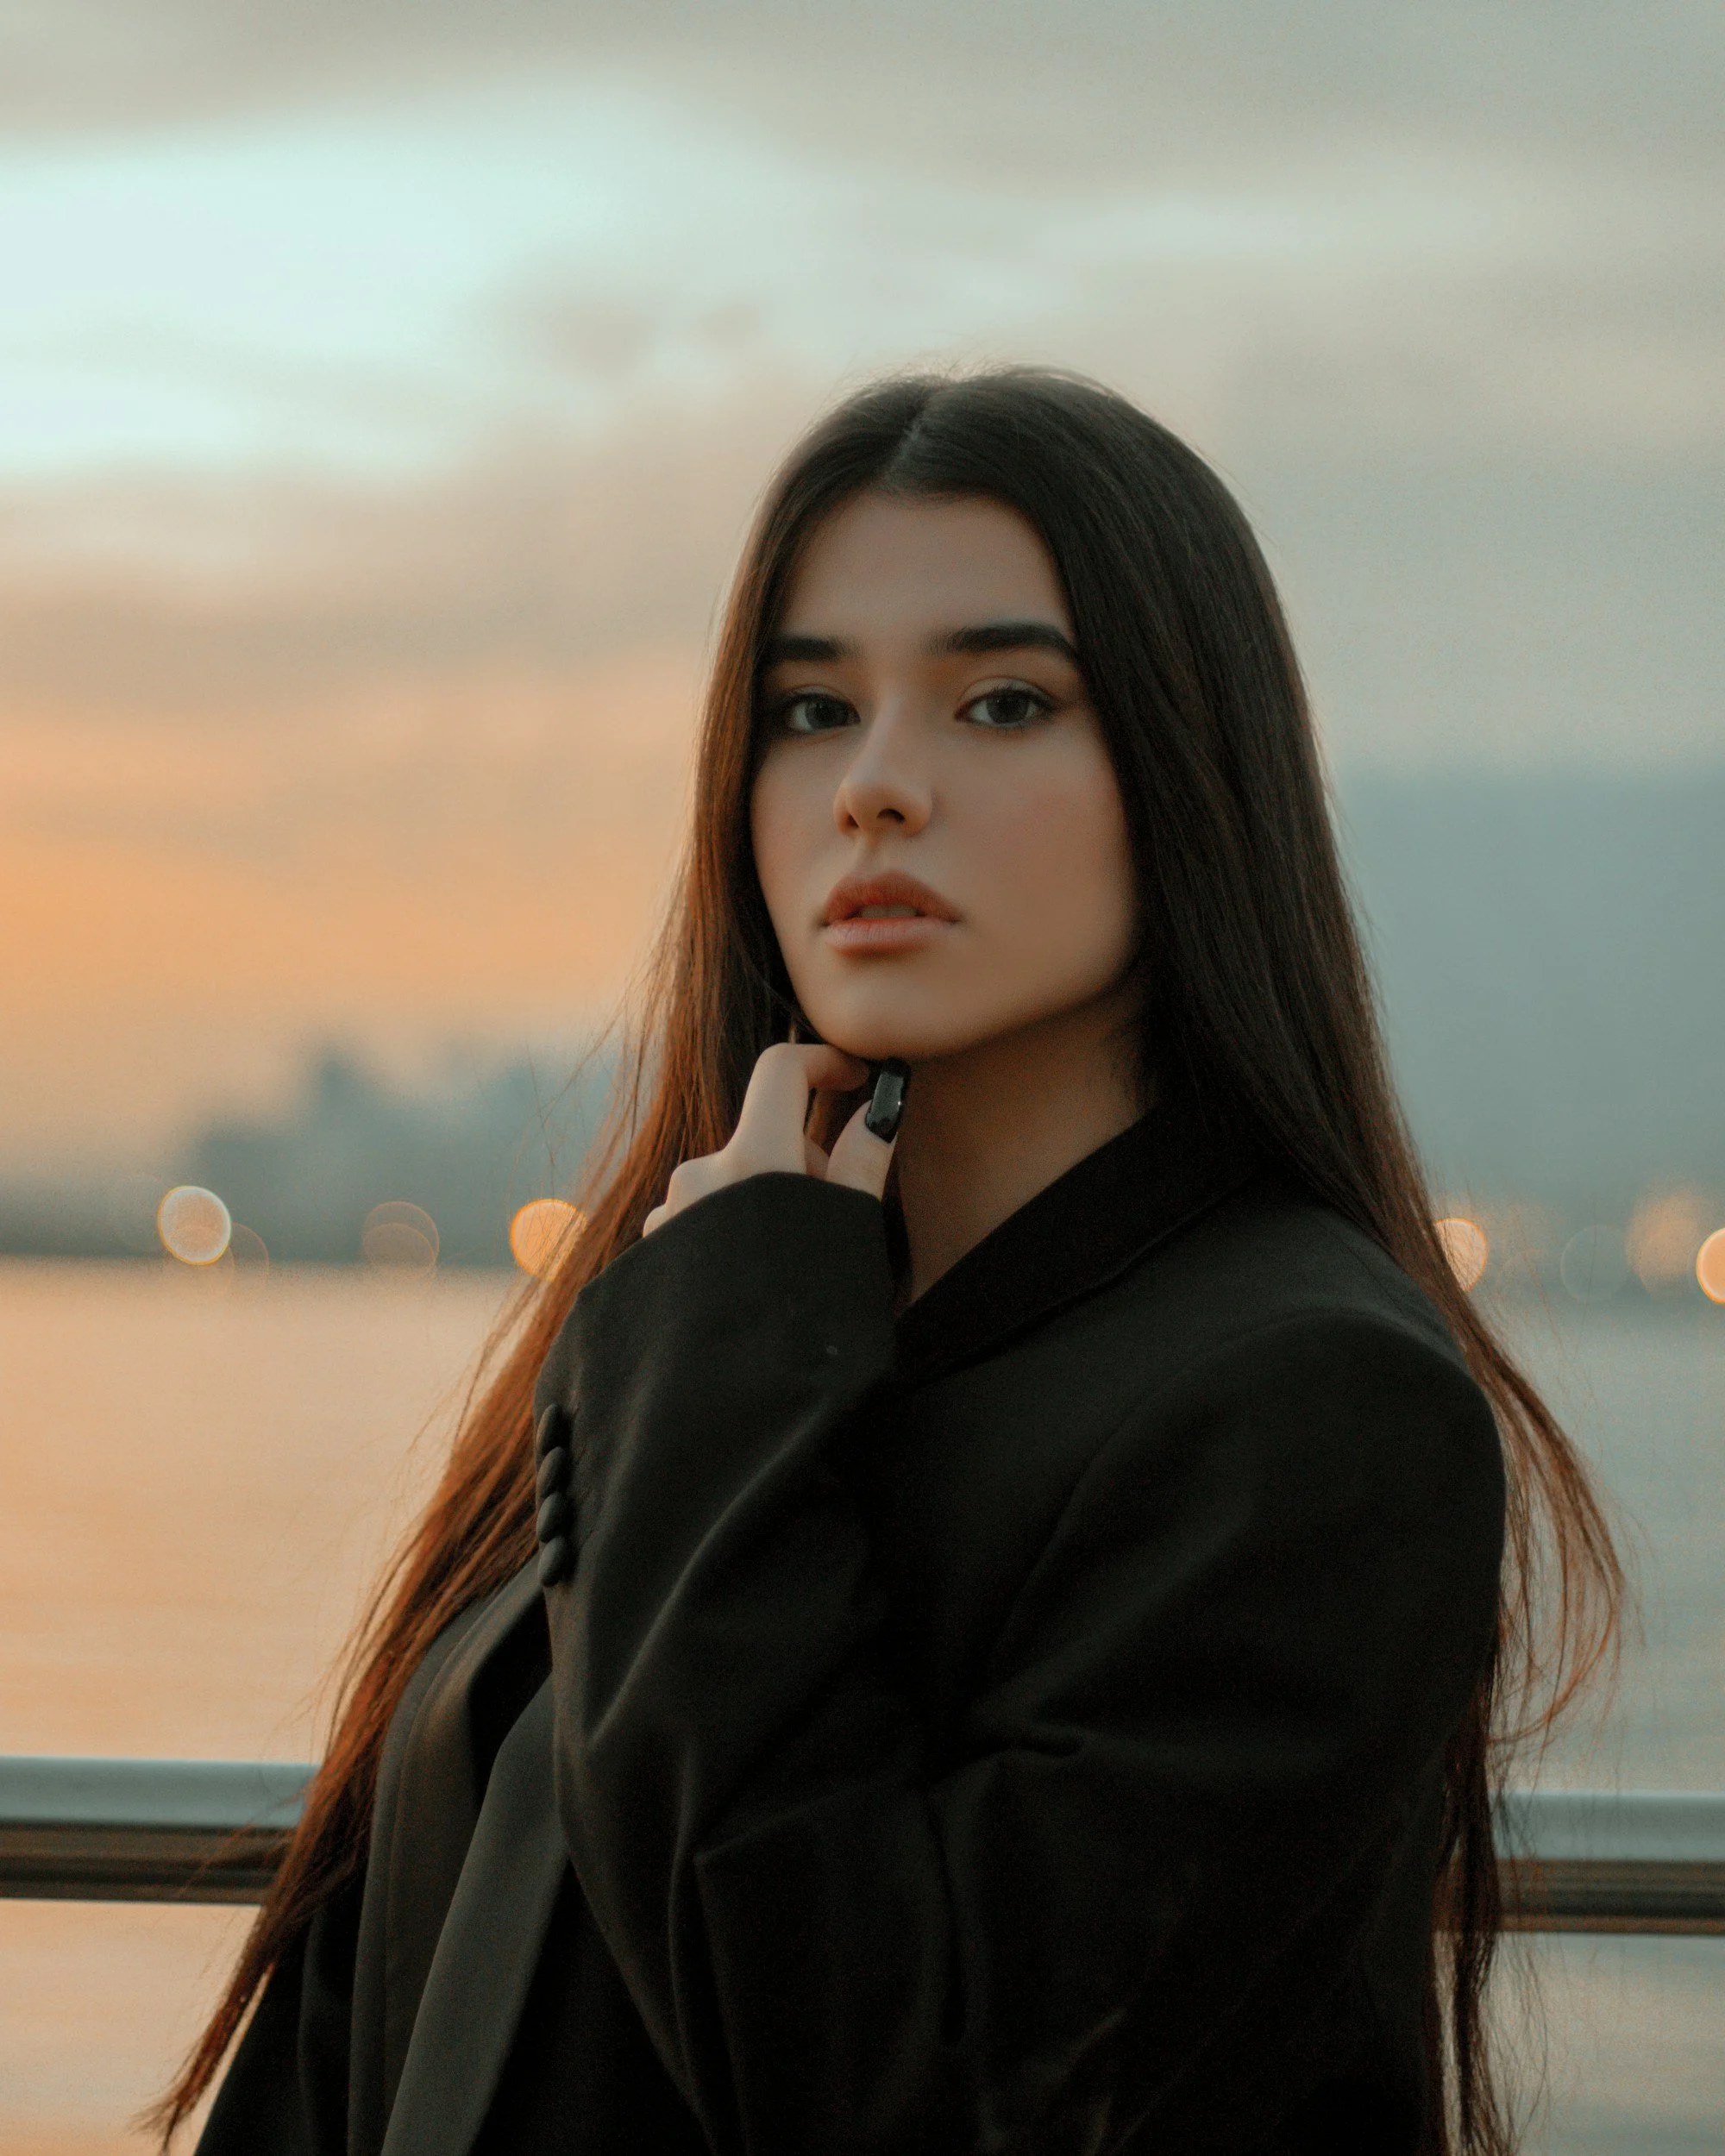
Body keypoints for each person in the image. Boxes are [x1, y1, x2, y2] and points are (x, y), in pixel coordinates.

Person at [160, 370, 1620, 2156]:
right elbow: (354, 2025)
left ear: (1187, 768)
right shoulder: (701, 1295)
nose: (872, 788)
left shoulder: (1304, 1400)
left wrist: (719, 1365)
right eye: (807, 706)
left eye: (1002, 700)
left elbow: (886, 2093)